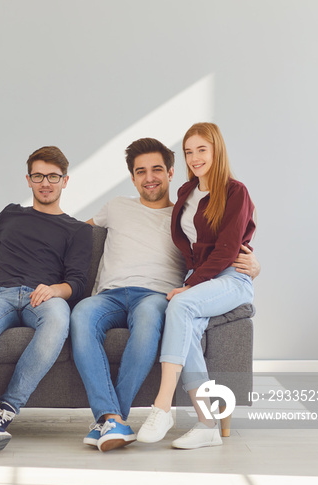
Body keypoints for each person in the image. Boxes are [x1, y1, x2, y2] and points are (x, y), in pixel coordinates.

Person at [71, 138, 260, 453]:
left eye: (157, 169)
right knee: (79, 315)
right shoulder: (116, 206)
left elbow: (220, 242)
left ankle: (116, 418)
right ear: (132, 178)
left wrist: (252, 262)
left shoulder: (184, 218)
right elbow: (73, 235)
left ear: (172, 173)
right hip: (109, 296)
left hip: (156, 296)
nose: (149, 177)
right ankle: (112, 417)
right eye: (141, 171)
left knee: (149, 322)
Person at [0, 146, 93, 456]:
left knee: (59, 320)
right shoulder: (10, 214)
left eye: (52, 176)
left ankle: (6, 408)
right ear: (28, 179)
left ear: (65, 180)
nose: (45, 182)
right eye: (38, 176)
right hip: (1, 294)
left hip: (44, 296)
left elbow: (78, 282)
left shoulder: (77, 230)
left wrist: (54, 289)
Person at [136, 123, 256, 449]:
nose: (195, 157)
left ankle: (163, 406)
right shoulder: (186, 194)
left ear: (216, 150)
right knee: (183, 323)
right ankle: (207, 425)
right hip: (200, 282)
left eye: (201, 149)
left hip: (231, 278)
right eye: (189, 152)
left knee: (180, 305)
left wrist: (191, 286)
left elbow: (228, 249)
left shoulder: (235, 192)